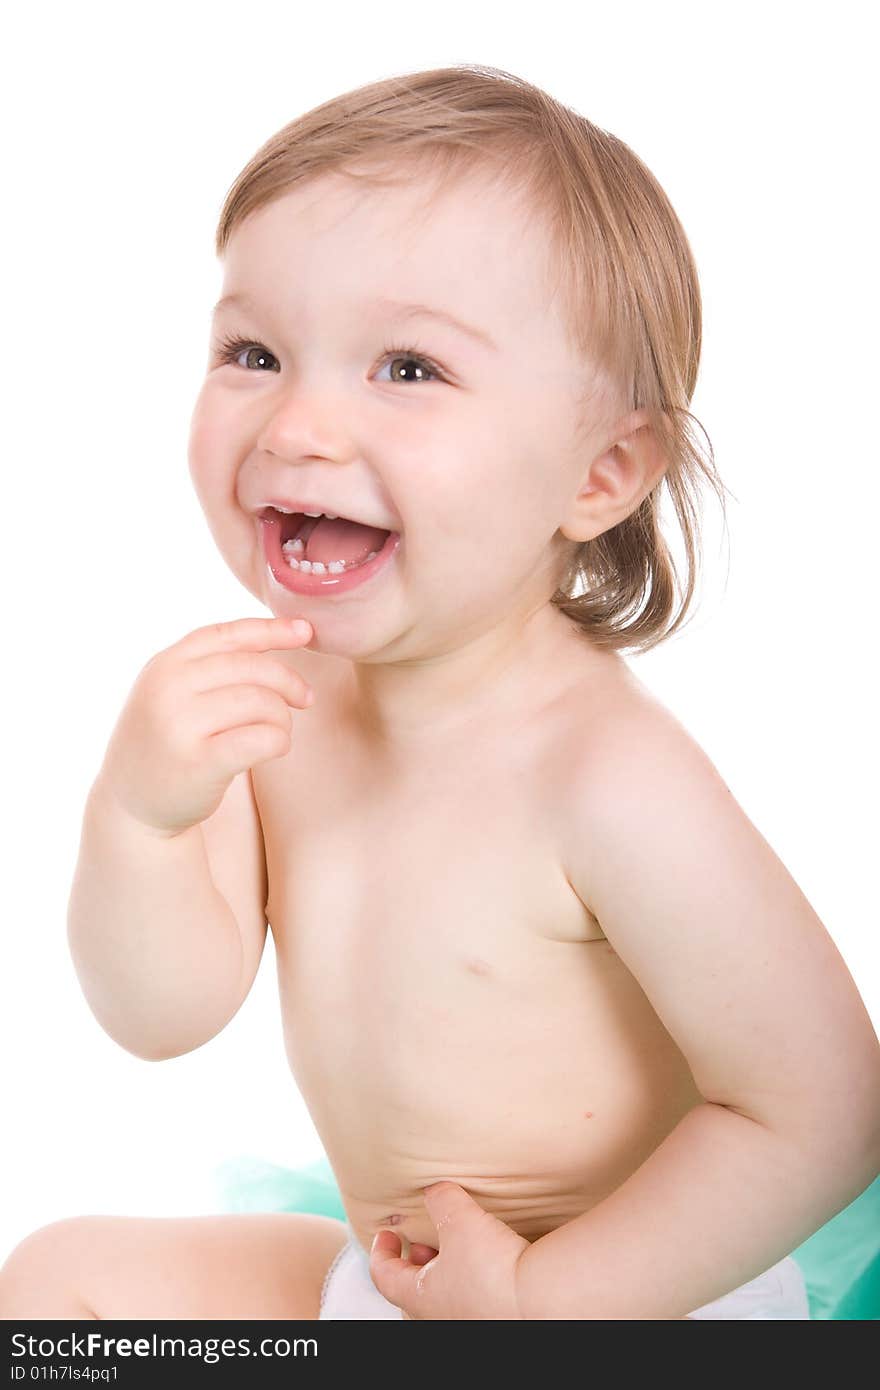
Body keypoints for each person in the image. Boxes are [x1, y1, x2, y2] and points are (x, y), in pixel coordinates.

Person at [2, 63, 878, 1321]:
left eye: (407, 369)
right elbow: (162, 1013)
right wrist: (142, 820)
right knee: (60, 1289)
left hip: (640, 1300)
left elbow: (827, 1108)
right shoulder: (283, 702)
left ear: (604, 470)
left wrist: (543, 1294)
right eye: (254, 350)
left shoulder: (605, 775)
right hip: (411, 1291)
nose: (298, 424)